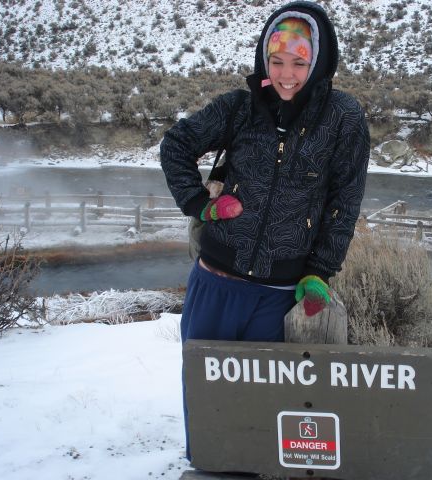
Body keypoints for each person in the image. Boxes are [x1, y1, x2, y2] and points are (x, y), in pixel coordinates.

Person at [160, 0, 370, 467]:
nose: (287, 74)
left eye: (298, 62)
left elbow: (345, 199)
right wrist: (199, 205)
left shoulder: (343, 118)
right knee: (208, 402)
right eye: (277, 61)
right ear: (263, 59)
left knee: (266, 418)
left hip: (278, 295)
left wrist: (320, 271)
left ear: (317, 62)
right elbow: (175, 145)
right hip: (215, 282)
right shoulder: (238, 108)